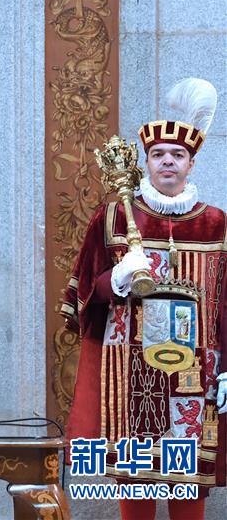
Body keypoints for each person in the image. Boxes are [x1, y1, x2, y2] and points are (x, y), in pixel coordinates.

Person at [62, 78, 226, 520]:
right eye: (158, 154)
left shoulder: (216, 224)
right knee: (135, 477)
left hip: (197, 372)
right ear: (146, 161)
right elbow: (84, 294)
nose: (168, 161)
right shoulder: (114, 216)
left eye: (178, 155)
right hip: (129, 371)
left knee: (190, 481)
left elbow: (226, 302)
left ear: (191, 164)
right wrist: (115, 278)